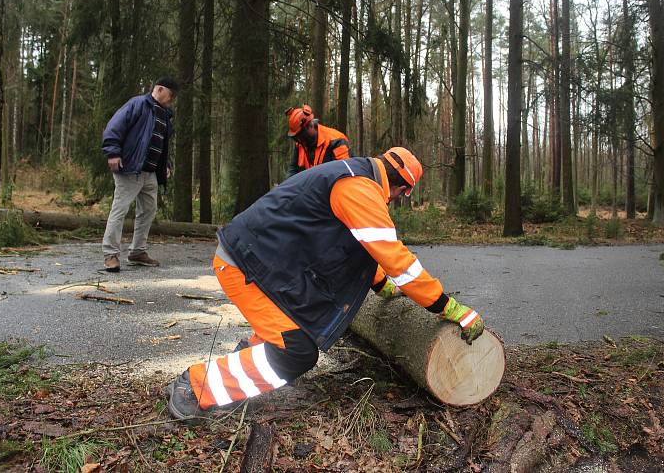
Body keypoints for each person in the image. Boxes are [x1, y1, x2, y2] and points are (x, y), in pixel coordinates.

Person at [166, 147, 484, 422]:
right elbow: (399, 261)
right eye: (401, 195)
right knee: (296, 352)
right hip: (248, 266)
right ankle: (195, 387)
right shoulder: (361, 188)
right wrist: (449, 308)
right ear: (401, 187)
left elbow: (358, 245)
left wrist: (380, 286)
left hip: (260, 263)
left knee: (290, 335)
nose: (397, 199)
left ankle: (238, 367)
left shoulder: (353, 178)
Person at [101, 77, 178, 272]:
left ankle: (137, 252)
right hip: (130, 169)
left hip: (150, 173)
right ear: (160, 89)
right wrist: (113, 152)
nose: (172, 100)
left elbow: (161, 144)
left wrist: (165, 164)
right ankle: (110, 254)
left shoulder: (165, 115)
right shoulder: (138, 104)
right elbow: (114, 127)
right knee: (119, 210)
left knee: (148, 211)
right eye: (171, 95)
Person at [285, 104, 351, 178]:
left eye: (301, 135)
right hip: (310, 186)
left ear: (311, 125)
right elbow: (293, 169)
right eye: (297, 137)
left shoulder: (336, 140)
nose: (300, 139)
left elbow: (345, 173)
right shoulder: (300, 144)